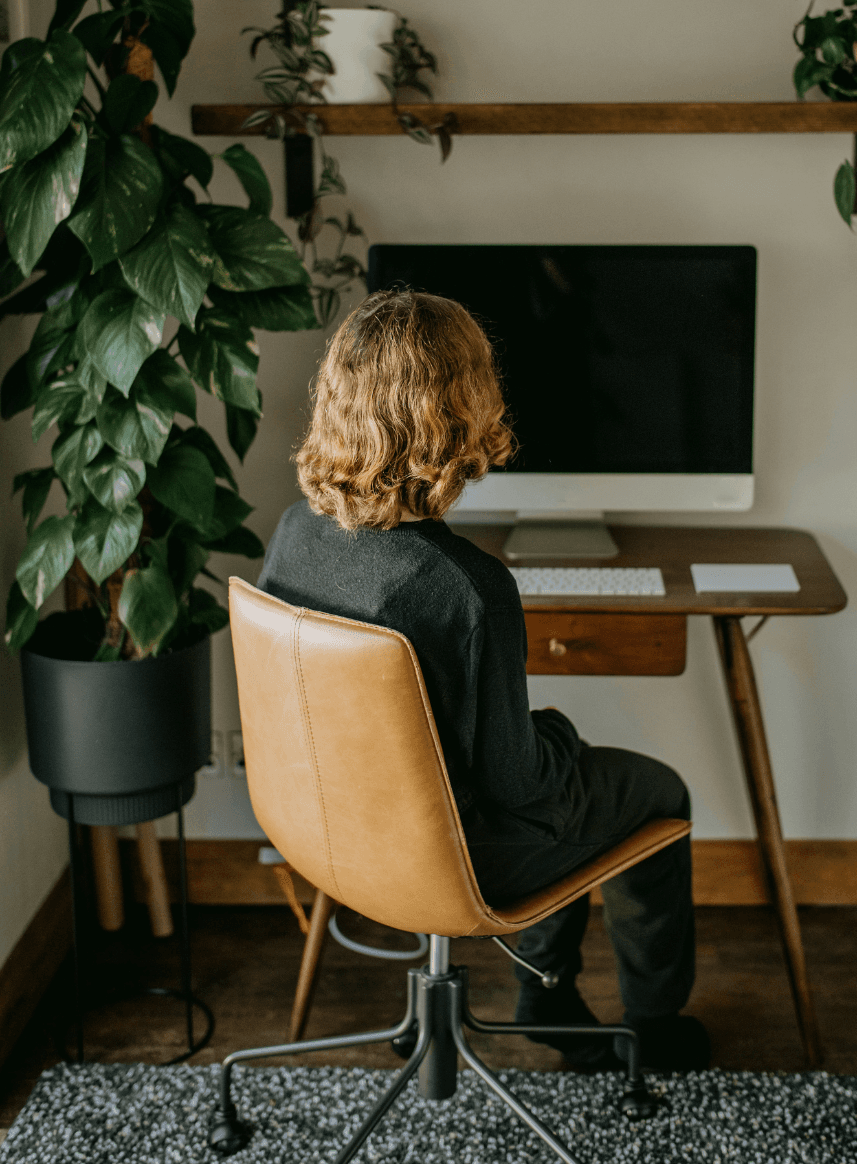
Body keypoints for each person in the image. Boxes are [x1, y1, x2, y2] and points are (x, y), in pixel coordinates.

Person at [258, 288, 710, 1074]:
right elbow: (522, 788)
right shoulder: (465, 587)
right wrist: (562, 737)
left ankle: (549, 992)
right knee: (655, 792)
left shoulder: (295, 533)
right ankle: (650, 1024)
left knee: (567, 782)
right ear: (461, 407)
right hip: (456, 859)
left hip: (326, 833)